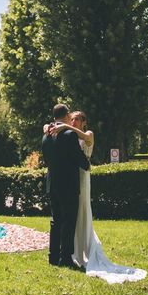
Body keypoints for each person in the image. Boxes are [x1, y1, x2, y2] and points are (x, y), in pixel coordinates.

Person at [46, 111, 147, 283]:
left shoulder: (87, 134)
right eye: (71, 119)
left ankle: (84, 247)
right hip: (69, 175)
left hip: (82, 176)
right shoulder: (67, 134)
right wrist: (55, 127)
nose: (74, 121)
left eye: (77, 119)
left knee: (81, 211)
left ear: (84, 122)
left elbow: (85, 139)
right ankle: (71, 251)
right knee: (70, 217)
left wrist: (64, 126)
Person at [42, 104, 90, 268]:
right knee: (69, 222)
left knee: (56, 221)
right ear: (67, 115)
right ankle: (66, 258)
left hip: (52, 183)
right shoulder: (69, 135)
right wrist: (87, 164)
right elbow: (79, 159)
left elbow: (48, 159)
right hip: (68, 184)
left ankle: (53, 256)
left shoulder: (46, 135)